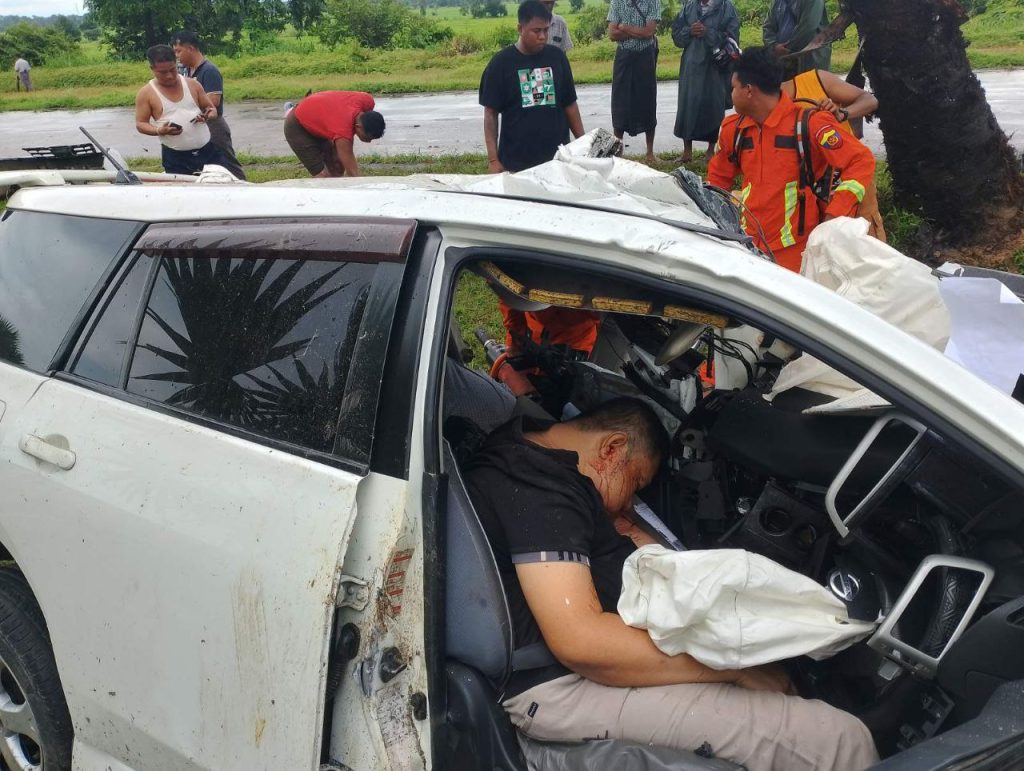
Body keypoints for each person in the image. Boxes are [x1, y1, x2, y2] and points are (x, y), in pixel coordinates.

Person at [464, 397, 879, 771]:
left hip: (596, 664)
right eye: (635, 483)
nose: (629, 504)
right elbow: (581, 641)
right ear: (611, 449)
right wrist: (730, 670)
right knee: (839, 741)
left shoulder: (535, 449)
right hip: (563, 682)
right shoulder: (539, 484)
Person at [707, 47, 875, 272]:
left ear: (749, 90)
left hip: (796, 254)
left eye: (734, 87)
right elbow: (717, 180)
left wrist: (834, 214)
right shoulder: (733, 129)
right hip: (746, 245)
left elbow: (861, 160)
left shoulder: (810, 124)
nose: (731, 95)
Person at [479, 0, 585, 174]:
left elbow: (570, 104)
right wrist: (493, 159)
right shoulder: (501, 64)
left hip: (558, 160)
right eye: (536, 31)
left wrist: (584, 144)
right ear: (520, 29)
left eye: (546, 30)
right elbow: (490, 113)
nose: (542, 36)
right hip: (516, 163)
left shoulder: (557, 58)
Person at [783, 68, 886, 241]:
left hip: (851, 180)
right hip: (809, 197)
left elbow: (869, 100)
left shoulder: (816, 81)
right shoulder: (761, 110)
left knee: (866, 243)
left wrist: (842, 114)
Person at [135, 45, 223, 175]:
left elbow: (211, 109)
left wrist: (208, 115)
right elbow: (141, 124)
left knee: (217, 184)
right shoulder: (146, 93)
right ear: (152, 69)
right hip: (176, 158)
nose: (169, 76)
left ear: (176, 64)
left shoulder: (192, 84)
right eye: (163, 72)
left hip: (208, 152)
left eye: (173, 70)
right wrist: (159, 130)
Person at [671, 0, 740, 162]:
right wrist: (689, 31)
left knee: (714, 106)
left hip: (716, 66)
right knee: (687, 105)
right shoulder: (688, 7)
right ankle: (687, 152)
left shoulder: (726, 7)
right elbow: (676, 35)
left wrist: (707, 32)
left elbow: (733, 37)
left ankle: (711, 151)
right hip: (691, 65)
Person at [172, 30, 246, 180]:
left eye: (178, 51)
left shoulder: (209, 71)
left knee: (226, 165)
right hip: (197, 127)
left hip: (213, 126)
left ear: (190, 48)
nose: (176, 55)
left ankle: (244, 187)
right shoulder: (186, 71)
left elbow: (213, 101)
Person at [607, 0, 661, 163]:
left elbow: (649, 32)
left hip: (646, 56)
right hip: (623, 56)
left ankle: (650, 153)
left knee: (648, 100)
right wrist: (639, 31)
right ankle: (618, 153)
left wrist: (624, 27)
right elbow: (612, 34)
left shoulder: (653, 1)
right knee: (619, 102)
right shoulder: (617, 2)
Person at [284, 91, 385, 177]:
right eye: (368, 137)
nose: (369, 141)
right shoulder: (343, 130)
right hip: (298, 125)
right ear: (359, 127)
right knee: (323, 176)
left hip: (320, 118)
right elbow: (353, 173)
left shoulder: (367, 100)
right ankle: (290, 111)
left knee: (337, 166)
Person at [763, 0, 830, 79]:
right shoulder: (777, 2)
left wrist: (787, 50)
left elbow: (808, 27)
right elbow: (768, 27)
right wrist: (773, 46)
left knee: (806, 85)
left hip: (807, 59)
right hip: (782, 61)